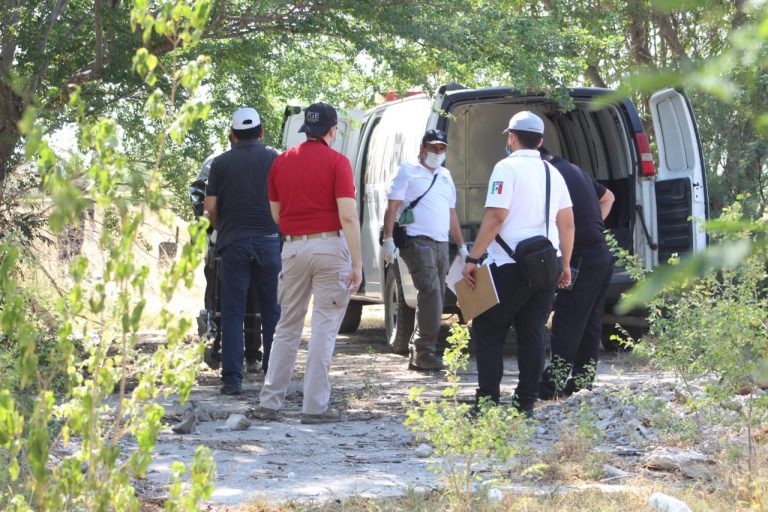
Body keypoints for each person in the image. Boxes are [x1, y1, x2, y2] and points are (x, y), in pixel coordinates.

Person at [254, 102, 362, 424]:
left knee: (287, 326)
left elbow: (276, 214)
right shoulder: (338, 163)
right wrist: (357, 263)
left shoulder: (281, 163)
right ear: (332, 131)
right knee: (324, 327)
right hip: (329, 246)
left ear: (305, 130)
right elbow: (347, 215)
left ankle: (270, 402)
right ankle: (314, 407)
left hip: (292, 248)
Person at [461, 111, 574, 418]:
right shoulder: (554, 172)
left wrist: (472, 258)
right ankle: (524, 403)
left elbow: (496, 216)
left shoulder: (505, 167)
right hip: (546, 264)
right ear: (540, 141)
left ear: (511, 138)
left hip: (508, 264)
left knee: (488, 329)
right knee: (533, 331)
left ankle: (486, 404)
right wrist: (565, 264)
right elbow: (567, 223)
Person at [204, 107, 281, 395]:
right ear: (261, 132)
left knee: (233, 312)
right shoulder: (275, 159)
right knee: (273, 311)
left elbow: (210, 208)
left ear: (232, 135)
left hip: (234, 244)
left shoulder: (220, 164)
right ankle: (273, 375)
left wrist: (224, 229)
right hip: (270, 242)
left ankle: (232, 379)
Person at [381, 129, 468, 371]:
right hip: (416, 239)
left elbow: (451, 213)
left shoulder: (445, 175)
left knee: (436, 295)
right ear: (422, 148)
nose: (437, 152)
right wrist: (388, 239)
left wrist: (461, 246)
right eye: (433, 147)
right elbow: (393, 206)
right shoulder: (408, 170)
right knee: (430, 290)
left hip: (440, 243)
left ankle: (419, 350)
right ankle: (424, 351)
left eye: (442, 148)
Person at [537, 147, 615, 399]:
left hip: (581, 257)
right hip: (600, 255)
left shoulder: (550, 175)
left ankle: (553, 385)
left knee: (567, 321)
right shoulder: (573, 169)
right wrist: (593, 228)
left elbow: (559, 221)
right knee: (589, 322)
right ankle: (582, 382)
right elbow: (609, 197)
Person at [192, 155, 263, 374]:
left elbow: (203, 204)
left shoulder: (216, 164)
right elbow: (200, 202)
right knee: (227, 296)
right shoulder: (216, 164)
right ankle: (230, 349)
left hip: (231, 237)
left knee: (235, 299)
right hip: (229, 238)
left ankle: (247, 354)